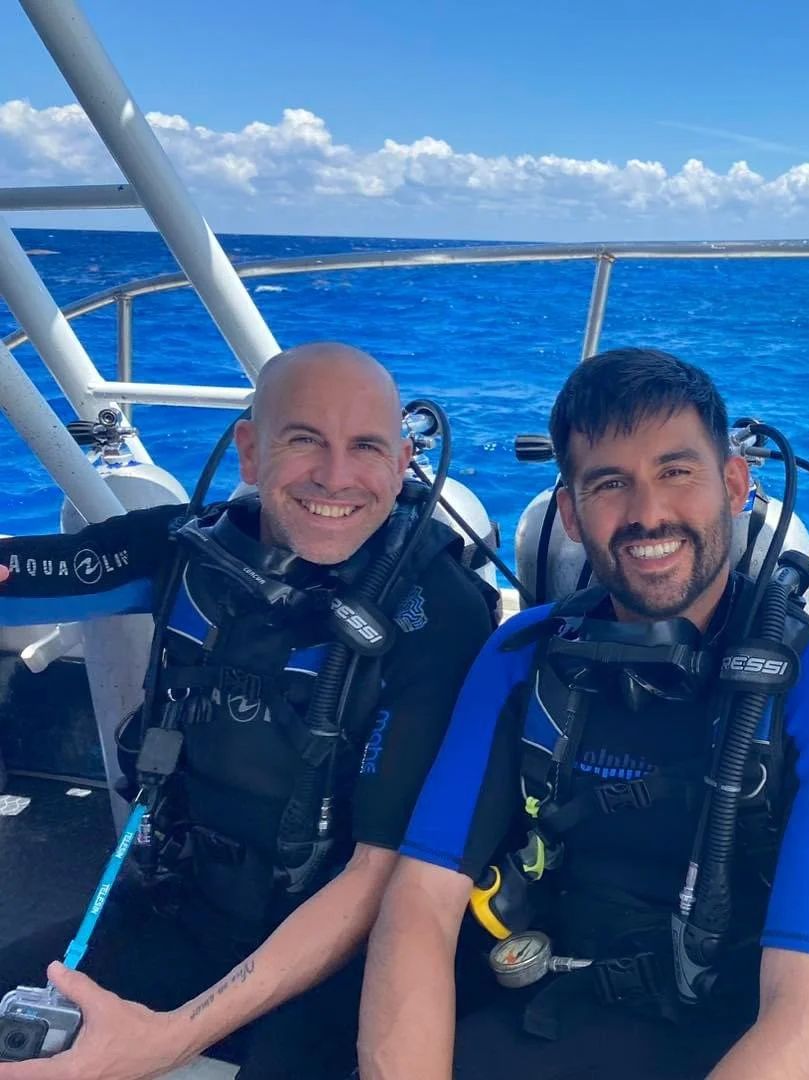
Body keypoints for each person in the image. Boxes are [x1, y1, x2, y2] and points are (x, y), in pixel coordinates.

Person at [357, 347, 809, 1080]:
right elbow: (420, 907)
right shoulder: (525, 656)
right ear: (571, 515)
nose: (648, 514)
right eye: (609, 483)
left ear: (735, 485)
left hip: (736, 1048)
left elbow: (808, 1021)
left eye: (676, 472)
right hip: (539, 1020)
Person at [0, 342, 500, 1080]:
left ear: (400, 464)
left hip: (347, 954)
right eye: (304, 439)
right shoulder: (187, 550)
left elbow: (376, 877)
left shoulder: (437, 615)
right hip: (184, 906)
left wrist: (168, 1037)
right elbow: (28, 574)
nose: (335, 476)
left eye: (365, 446)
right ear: (250, 450)